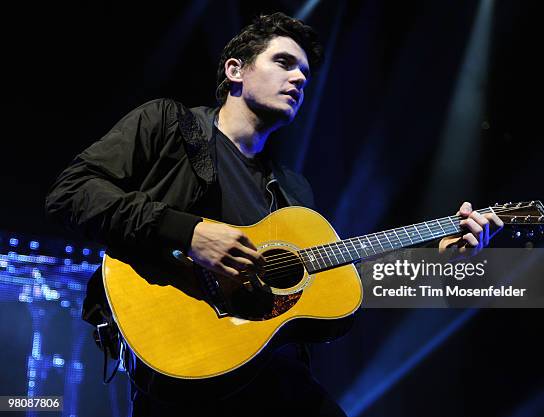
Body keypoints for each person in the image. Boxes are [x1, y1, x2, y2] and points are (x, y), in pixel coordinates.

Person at [45, 12, 502, 417]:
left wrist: (438, 257)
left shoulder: (293, 191)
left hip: (275, 378)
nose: (300, 79)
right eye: (285, 63)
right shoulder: (168, 125)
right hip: (185, 370)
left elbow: (336, 283)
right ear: (235, 71)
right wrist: (189, 233)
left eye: (306, 72)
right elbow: (71, 193)